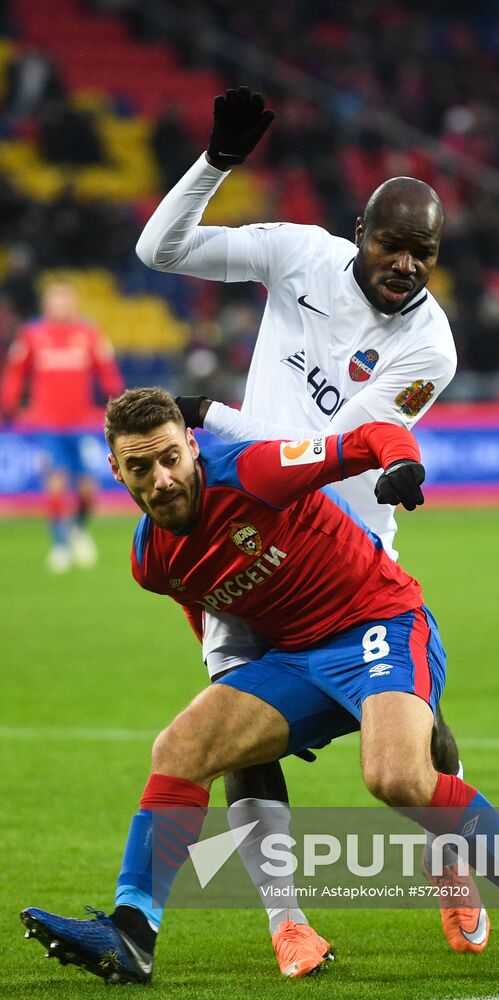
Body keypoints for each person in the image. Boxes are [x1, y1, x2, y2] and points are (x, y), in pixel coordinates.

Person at [21, 387, 499, 984]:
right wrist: (244, 699)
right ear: (117, 471)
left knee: (396, 778)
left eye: (171, 458)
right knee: (180, 748)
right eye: (141, 467)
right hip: (296, 660)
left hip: (381, 625)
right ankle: (131, 934)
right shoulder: (151, 561)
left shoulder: (255, 473)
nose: (162, 479)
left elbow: (369, 439)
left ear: (192, 447)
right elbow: (205, 606)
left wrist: (400, 461)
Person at [135, 88, 480, 959]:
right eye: (393, 244)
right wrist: (215, 164)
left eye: (424, 253)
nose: (406, 264)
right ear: (360, 228)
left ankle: (455, 861)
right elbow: (158, 248)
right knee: (233, 732)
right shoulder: (299, 255)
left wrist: (207, 415)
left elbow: (331, 451)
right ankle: (286, 921)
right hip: (242, 533)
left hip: (345, 545)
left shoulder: (430, 346)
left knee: (413, 735)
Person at [0, 280, 124, 571]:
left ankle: (76, 529)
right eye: (56, 301)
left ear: (74, 304)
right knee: (55, 480)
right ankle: (59, 545)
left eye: (66, 300)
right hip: (47, 421)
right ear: (47, 305)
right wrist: (11, 404)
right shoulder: (32, 334)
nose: (61, 306)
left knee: (87, 489)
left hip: (81, 421)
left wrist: (117, 401)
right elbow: (16, 372)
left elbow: (107, 371)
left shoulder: (89, 333)